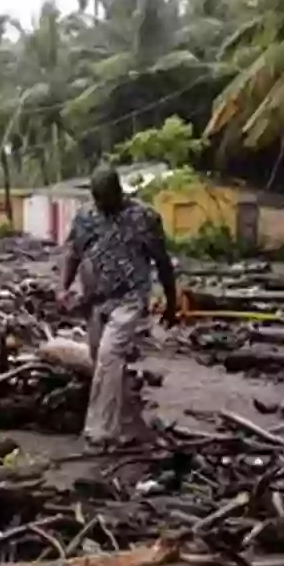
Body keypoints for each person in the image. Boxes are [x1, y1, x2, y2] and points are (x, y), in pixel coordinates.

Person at [57, 165, 177, 448]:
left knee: (110, 355)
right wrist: (63, 288)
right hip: (95, 301)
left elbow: (162, 262)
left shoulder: (144, 218)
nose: (101, 204)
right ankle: (130, 422)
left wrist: (171, 303)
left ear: (119, 192)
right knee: (103, 360)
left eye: (106, 198)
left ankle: (100, 431)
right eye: (97, 198)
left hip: (130, 298)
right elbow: (73, 254)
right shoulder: (86, 217)